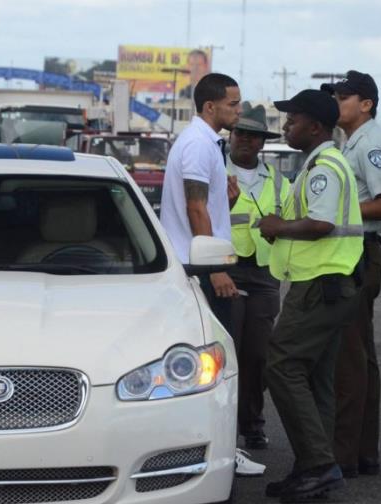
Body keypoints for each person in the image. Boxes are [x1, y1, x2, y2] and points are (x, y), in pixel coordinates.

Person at [157, 72, 265, 477]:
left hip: (202, 264)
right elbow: (195, 209)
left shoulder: (205, 144)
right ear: (210, 107)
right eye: (233, 104)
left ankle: (214, 448)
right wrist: (215, 267)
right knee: (215, 367)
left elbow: (206, 204)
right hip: (203, 269)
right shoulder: (199, 146)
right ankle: (219, 451)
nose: (239, 110)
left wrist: (226, 195)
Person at [258, 89, 363, 502]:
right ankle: (313, 467)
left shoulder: (324, 166)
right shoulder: (318, 163)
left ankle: (319, 465)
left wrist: (277, 226)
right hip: (327, 283)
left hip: (322, 284)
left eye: (293, 118)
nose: (286, 125)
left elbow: (319, 224)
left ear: (315, 126)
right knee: (315, 376)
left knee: (281, 366)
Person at [321, 70, 381, 478]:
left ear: (365, 104)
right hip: (357, 253)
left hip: (359, 255)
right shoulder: (353, 141)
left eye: (342, 96)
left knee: (348, 360)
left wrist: (338, 211)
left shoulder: (370, 144)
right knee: (361, 358)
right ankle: (363, 452)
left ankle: (343, 455)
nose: (336, 102)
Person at [225, 102, 288, 451]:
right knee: (227, 352)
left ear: (263, 142)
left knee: (259, 354)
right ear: (231, 135)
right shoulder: (213, 171)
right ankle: (224, 425)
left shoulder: (280, 182)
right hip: (224, 268)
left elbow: (291, 223)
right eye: (241, 133)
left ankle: (252, 422)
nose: (247, 140)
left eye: (254, 136)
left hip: (264, 272)